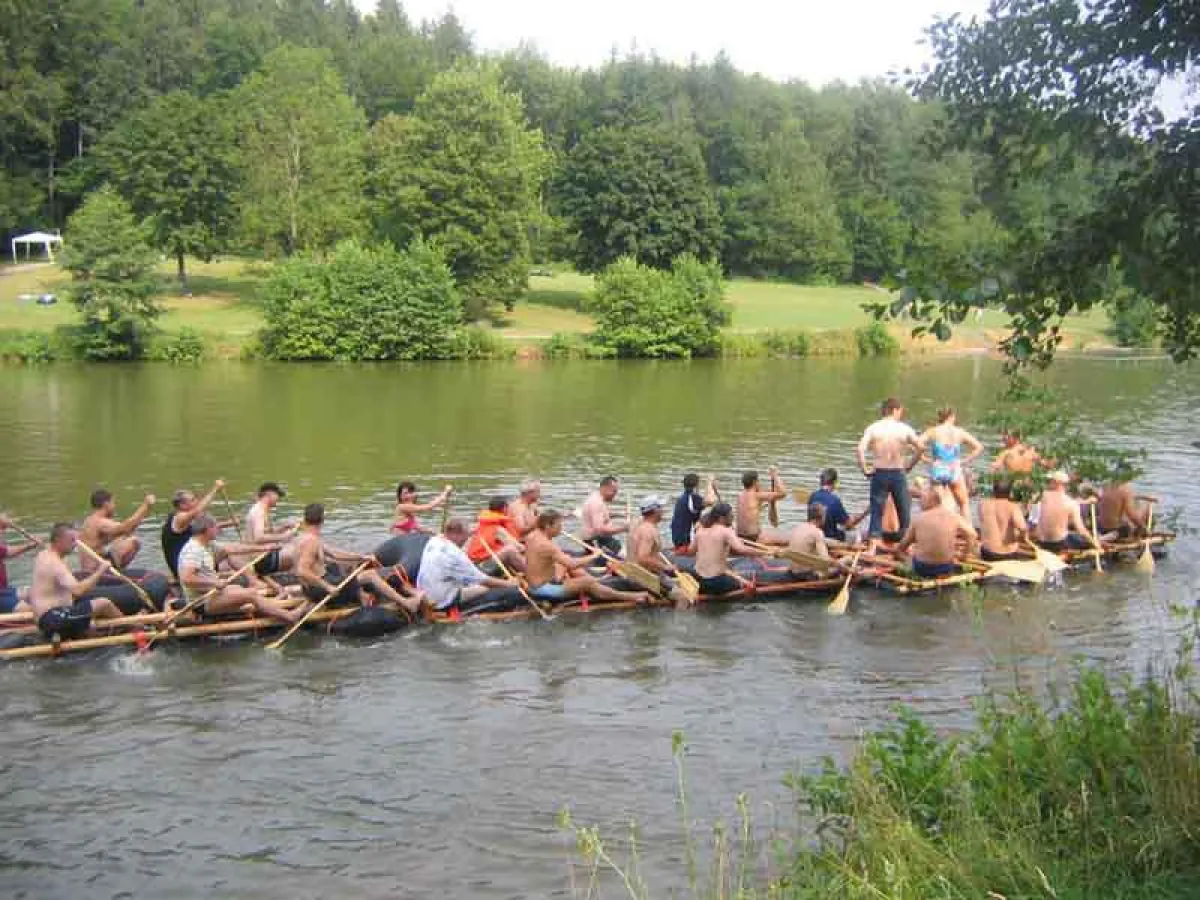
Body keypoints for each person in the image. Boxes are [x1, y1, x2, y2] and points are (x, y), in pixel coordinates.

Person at [296, 503, 426, 617]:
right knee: (370, 575)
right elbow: (302, 571)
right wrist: (327, 587)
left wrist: (361, 557)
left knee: (344, 565)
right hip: (320, 589)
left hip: (311, 588)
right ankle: (407, 603)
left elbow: (335, 554)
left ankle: (361, 595)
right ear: (322, 519)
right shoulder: (311, 542)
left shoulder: (305, 537)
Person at [177, 514, 303, 623]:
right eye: (215, 527)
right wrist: (214, 582)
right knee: (251, 595)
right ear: (207, 530)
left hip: (213, 592)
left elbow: (235, 548)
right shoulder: (193, 550)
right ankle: (289, 616)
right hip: (202, 601)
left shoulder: (207, 544)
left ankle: (268, 606)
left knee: (242, 589)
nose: (218, 530)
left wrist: (264, 548)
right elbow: (187, 578)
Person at [525, 510, 649, 605]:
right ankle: (629, 596)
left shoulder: (532, 535)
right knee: (587, 582)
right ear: (547, 526)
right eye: (558, 525)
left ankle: (596, 583)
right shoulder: (547, 545)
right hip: (542, 589)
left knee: (564, 560)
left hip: (538, 582)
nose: (561, 528)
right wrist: (593, 555)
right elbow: (571, 564)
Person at [30, 523, 123, 641]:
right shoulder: (55, 563)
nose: (75, 544)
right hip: (53, 619)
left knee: (91, 624)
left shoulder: (43, 554)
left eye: (76, 540)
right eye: (72, 540)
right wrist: (101, 570)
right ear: (59, 540)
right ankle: (134, 627)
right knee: (103, 603)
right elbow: (79, 590)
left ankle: (105, 633)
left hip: (49, 617)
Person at [857, 398, 922, 545]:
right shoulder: (904, 429)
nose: (901, 415)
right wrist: (911, 465)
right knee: (904, 512)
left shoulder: (873, 428)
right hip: (898, 472)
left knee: (876, 512)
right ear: (894, 410)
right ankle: (907, 547)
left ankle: (873, 547)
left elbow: (860, 449)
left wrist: (865, 469)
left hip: (879, 472)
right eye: (900, 412)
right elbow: (921, 447)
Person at [418, 519, 515, 611]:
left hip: (425, 593)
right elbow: (483, 580)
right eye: (466, 536)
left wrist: (472, 531)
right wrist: (509, 584)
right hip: (441, 601)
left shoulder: (434, 540)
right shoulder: (456, 554)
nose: (466, 539)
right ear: (457, 534)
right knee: (484, 588)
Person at [895, 489, 979, 579]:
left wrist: (901, 553)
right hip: (945, 566)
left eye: (921, 500)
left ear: (931, 501)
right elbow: (972, 534)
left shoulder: (918, 518)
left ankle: (912, 569)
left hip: (922, 567)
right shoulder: (953, 516)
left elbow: (903, 546)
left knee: (899, 553)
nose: (920, 503)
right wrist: (964, 555)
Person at [690, 502, 771, 596]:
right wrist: (765, 553)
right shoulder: (726, 531)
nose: (733, 518)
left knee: (726, 571)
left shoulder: (700, 530)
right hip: (717, 583)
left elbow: (690, 551)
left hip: (700, 581)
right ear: (721, 518)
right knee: (750, 579)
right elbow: (741, 549)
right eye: (730, 515)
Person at [917, 407, 984, 516]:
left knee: (936, 505)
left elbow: (916, 444)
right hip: (954, 469)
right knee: (963, 503)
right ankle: (966, 528)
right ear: (952, 417)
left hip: (937, 468)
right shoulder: (959, 432)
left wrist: (923, 458)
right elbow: (979, 447)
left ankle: (938, 530)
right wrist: (964, 461)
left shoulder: (933, 431)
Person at [629, 496, 692, 607]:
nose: (663, 511)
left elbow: (647, 552)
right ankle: (678, 623)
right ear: (655, 511)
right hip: (642, 576)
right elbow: (643, 557)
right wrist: (665, 567)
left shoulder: (639, 525)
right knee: (684, 597)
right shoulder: (649, 531)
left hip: (634, 572)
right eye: (661, 508)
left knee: (676, 582)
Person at [161, 479, 227, 580]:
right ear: (182, 505)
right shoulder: (180, 518)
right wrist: (215, 489)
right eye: (192, 500)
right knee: (228, 550)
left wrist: (230, 523)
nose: (196, 501)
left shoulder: (187, 519)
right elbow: (198, 510)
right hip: (184, 567)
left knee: (226, 551)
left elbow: (206, 528)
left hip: (191, 560)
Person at [79, 488, 156, 572]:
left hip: (97, 564)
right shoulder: (99, 522)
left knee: (124, 539)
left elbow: (127, 531)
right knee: (133, 541)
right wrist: (145, 505)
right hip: (94, 570)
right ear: (106, 504)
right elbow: (126, 527)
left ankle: (118, 572)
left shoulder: (91, 520)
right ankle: (116, 575)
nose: (114, 506)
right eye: (113, 503)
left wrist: (146, 509)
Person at [1035, 471, 1101, 552]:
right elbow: (1081, 530)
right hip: (1058, 543)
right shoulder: (1071, 503)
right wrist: (1094, 542)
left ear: (1056, 483)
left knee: (1071, 534)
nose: (1048, 483)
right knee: (1084, 539)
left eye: (1050, 481)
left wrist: (1085, 501)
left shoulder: (1044, 496)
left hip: (1042, 542)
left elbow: (1059, 503)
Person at [465, 497, 526, 574]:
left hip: (474, 562)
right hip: (482, 565)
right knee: (511, 550)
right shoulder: (498, 529)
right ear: (504, 508)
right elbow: (519, 547)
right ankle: (532, 575)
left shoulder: (479, 525)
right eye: (508, 507)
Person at [808, 468, 865, 543]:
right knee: (858, 534)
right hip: (830, 538)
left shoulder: (812, 496)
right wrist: (864, 513)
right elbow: (848, 525)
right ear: (834, 483)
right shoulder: (834, 500)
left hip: (813, 535)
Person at [978, 479, 1029, 561]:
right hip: (1007, 554)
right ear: (1010, 492)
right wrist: (1021, 539)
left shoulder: (982, 505)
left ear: (994, 491)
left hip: (987, 553)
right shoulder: (1013, 507)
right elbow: (1023, 528)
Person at [735, 468, 788, 544]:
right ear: (754, 482)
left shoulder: (740, 496)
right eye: (758, 481)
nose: (759, 483)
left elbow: (752, 508)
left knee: (767, 532)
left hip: (739, 535)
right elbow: (783, 493)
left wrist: (770, 502)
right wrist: (775, 475)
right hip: (753, 538)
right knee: (787, 539)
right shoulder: (757, 496)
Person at [0, 513, 39, 613]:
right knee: (34, 610)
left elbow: (6, 552)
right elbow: (7, 552)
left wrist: (31, 545)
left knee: (38, 594)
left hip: (5, 590)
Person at [785, 503, 837, 577]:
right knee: (847, 560)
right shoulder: (818, 532)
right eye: (825, 515)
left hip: (792, 572)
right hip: (806, 575)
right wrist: (843, 565)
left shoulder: (798, 527)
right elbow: (826, 561)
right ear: (820, 517)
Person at [580, 476, 628, 556]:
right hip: (597, 541)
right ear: (605, 488)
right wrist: (623, 528)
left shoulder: (597, 497)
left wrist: (620, 514)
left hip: (600, 539)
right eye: (614, 491)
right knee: (626, 555)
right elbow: (600, 530)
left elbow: (603, 515)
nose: (615, 495)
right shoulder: (596, 503)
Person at [1097, 468, 1150, 539]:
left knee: (1125, 511)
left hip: (1101, 527)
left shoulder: (1105, 486)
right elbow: (1132, 515)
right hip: (1118, 530)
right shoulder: (1126, 489)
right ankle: (1139, 533)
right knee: (1145, 507)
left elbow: (1115, 498)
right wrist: (1143, 527)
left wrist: (1141, 497)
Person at [670, 474, 712, 552]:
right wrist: (709, 483)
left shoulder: (683, 497)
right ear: (696, 486)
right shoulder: (693, 498)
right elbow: (710, 501)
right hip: (683, 542)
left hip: (677, 538)